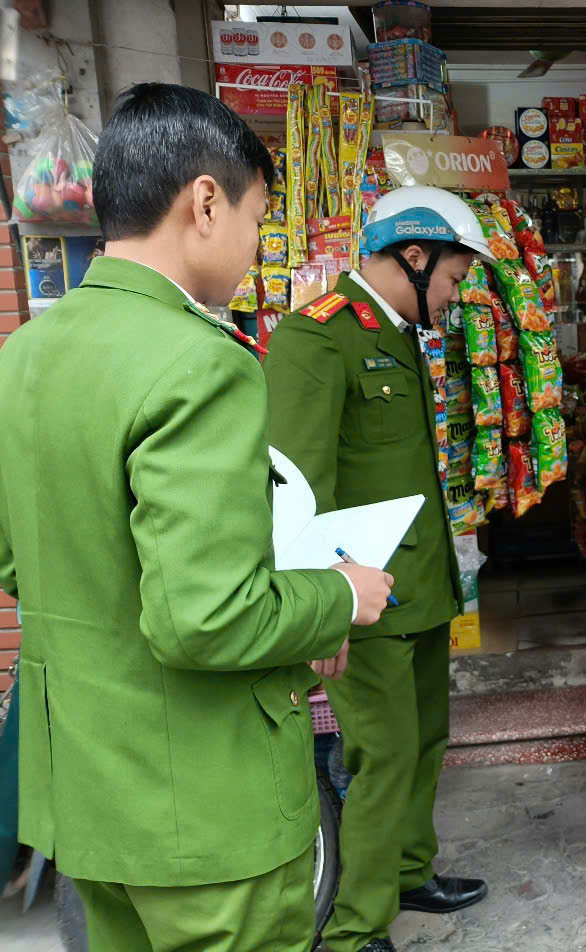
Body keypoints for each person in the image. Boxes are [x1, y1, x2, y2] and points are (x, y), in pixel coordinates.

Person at [0, 83, 393, 951]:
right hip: (210, 816)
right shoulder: (198, 363)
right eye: (257, 219)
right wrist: (337, 595)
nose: (257, 247)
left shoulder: (22, 356)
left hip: (90, 800)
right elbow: (205, 617)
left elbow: (19, 562)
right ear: (204, 203)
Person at [263, 185, 494, 952]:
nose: (457, 296)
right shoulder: (317, 336)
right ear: (414, 255)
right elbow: (295, 483)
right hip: (359, 601)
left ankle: (406, 870)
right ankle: (358, 930)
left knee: (426, 738)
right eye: (456, 279)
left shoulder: (394, 333)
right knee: (382, 755)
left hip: (419, 587)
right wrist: (319, 601)